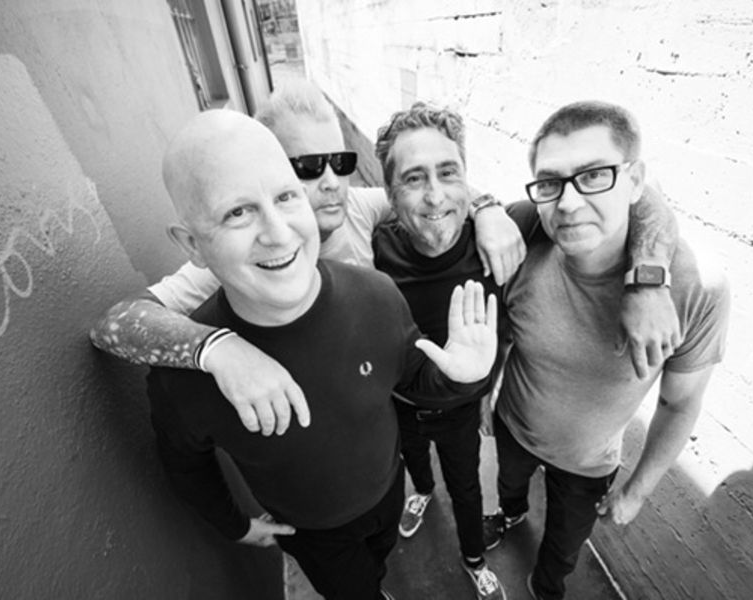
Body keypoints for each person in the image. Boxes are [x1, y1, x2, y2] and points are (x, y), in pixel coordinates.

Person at [149, 109, 499, 600]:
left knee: (380, 561)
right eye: (237, 213)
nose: (278, 233)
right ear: (192, 244)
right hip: (313, 535)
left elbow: (412, 377)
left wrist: (462, 376)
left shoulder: (377, 294)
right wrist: (234, 524)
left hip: (388, 492)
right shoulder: (184, 374)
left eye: (285, 196)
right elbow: (186, 464)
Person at [90, 80, 528, 437]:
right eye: (308, 168)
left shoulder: (359, 207)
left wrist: (487, 209)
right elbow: (118, 322)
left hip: (381, 400)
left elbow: (428, 193)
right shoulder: (244, 255)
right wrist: (219, 350)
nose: (332, 181)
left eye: (340, 161)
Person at [371, 102, 680, 600]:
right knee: (418, 469)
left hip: (462, 411)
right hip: (403, 403)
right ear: (389, 193)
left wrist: (647, 278)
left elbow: (640, 195)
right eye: (413, 178)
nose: (434, 195)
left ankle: (475, 559)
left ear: (465, 178)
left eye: (448, 173)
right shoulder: (372, 243)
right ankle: (423, 493)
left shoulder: (507, 232)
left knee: (468, 489)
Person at [482, 100, 731, 600]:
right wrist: (485, 393)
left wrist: (637, 491)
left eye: (594, 175)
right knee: (510, 490)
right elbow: (502, 329)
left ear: (635, 181)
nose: (568, 203)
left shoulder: (694, 288)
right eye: (550, 183)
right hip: (513, 425)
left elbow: (679, 402)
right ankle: (511, 514)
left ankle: (545, 585)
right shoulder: (524, 232)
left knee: (564, 548)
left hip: (588, 463)